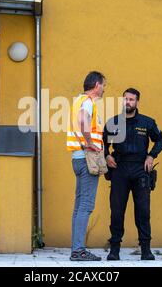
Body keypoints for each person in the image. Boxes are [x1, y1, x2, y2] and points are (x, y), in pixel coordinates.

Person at [103, 88, 162, 261]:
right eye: (125, 99)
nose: (128, 102)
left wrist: (151, 155)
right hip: (119, 169)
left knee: (143, 211)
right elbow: (102, 143)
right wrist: (107, 155)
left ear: (137, 102)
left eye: (131, 99)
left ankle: (146, 249)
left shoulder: (147, 122)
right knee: (116, 211)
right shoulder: (113, 122)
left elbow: (160, 140)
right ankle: (114, 249)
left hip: (140, 170)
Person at [66, 71, 106, 261]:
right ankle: (79, 250)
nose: (104, 89)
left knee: (79, 206)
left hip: (77, 157)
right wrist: (90, 142)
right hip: (87, 158)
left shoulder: (77, 101)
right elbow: (83, 121)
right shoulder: (89, 102)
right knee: (86, 205)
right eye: (104, 85)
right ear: (97, 85)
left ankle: (76, 248)